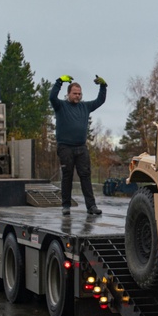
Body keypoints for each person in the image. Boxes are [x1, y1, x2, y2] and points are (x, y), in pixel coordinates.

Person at [49, 74, 107, 215]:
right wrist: (59, 82)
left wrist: (103, 86)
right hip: (65, 147)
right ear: (68, 94)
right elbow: (52, 97)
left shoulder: (85, 107)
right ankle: (66, 206)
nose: (77, 96)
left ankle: (91, 206)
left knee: (85, 176)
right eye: (74, 93)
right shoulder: (61, 106)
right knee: (67, 175)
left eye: (79, 94)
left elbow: (100, 100)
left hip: (81, 147)